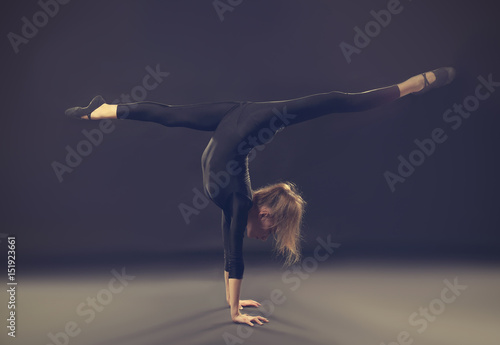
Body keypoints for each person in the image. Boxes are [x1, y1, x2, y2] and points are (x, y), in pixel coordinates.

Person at [65, 67, 456, 326]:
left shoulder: (235, 202)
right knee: (339, 101)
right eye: (271, 230)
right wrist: (235, 313)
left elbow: (226, 252)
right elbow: (235, 256)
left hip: (234, 116)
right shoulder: (237, 202)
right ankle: (413, 85)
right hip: (259, 119)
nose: (264, 237)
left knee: (171, 114)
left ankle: (102, 111)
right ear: (265, 212)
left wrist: (233, 303)